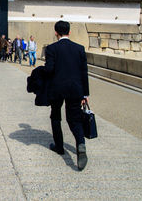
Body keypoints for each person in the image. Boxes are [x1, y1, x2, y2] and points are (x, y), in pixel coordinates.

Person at [44, 20, 89, 171]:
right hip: (76, 89)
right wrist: (85, 93)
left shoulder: (51, 48)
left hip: (57, 89)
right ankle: (80, 144)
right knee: (74, 119)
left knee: (55, 116)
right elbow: (84, 73)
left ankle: (59, 146)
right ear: (69, 32)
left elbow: (49, 69)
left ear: (55, 32)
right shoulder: (79, 49)